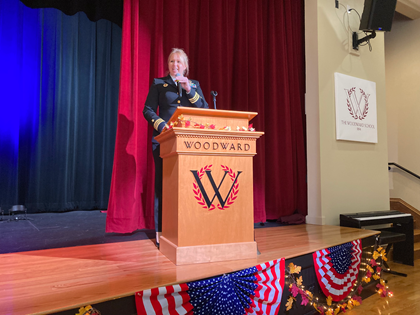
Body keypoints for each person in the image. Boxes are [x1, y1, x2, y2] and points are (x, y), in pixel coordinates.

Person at [143, 48, 208, 247]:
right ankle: (162, 231)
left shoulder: (193, 85)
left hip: (189, 144)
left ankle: (188, 229)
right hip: (164, 142)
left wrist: (189, 90)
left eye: (179, 62)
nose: (175, 65)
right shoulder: (158, 84)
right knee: (165, 187)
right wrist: (162, 126)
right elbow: (148, 110)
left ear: (185, 67)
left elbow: (204, 110)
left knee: (190, 186)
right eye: (172, 61)